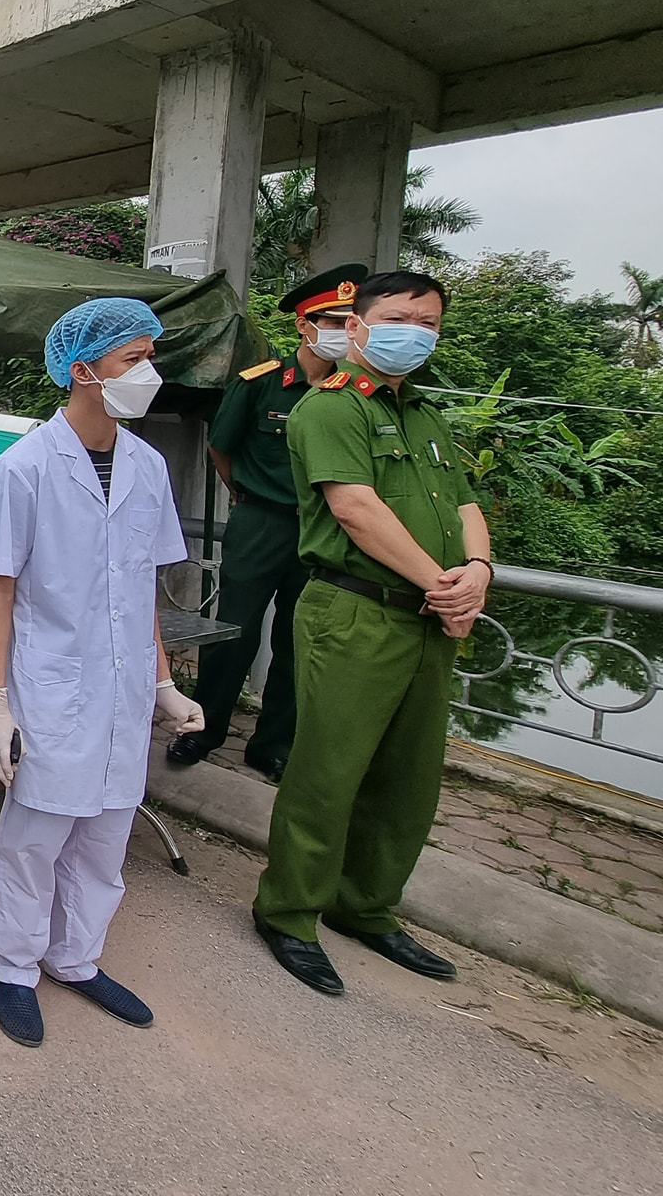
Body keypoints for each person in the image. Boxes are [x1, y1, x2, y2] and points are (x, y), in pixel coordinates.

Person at [254, 271, 492, 996]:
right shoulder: (329, 411)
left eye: (428, 322)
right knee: (328, 770)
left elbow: (466, 503)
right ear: (357, 326)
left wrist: (477, 569)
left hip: (429, 618)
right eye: (397, 317)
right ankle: (290, 913)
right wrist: (441, 582)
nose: (413, 331)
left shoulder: (426, 416)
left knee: (408, 777)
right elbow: (355, 508)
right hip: (356, 611)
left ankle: (368, 906)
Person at [0, 297, 203, 1048]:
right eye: (132, 359)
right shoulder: (24, 469)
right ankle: (14, 965)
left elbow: (140, 591)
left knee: (106, 838)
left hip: (122, 688)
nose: (150, 372)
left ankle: (76, 959)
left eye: (149, 356)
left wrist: (164, 682)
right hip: (51, 684)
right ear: (82, 370)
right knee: (33, 837)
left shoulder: (148, 466)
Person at [168, 263, 368, 782]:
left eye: (351, 321)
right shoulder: (261, 383)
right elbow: (221, 446)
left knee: (302, 639)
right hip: (261, 523)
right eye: (333, 320)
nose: (343, 331)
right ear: (305, 324)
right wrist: (245, 494)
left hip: (325, 530)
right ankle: (202, 729)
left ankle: (274, 745)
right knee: (234, 632)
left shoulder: (355, 392)